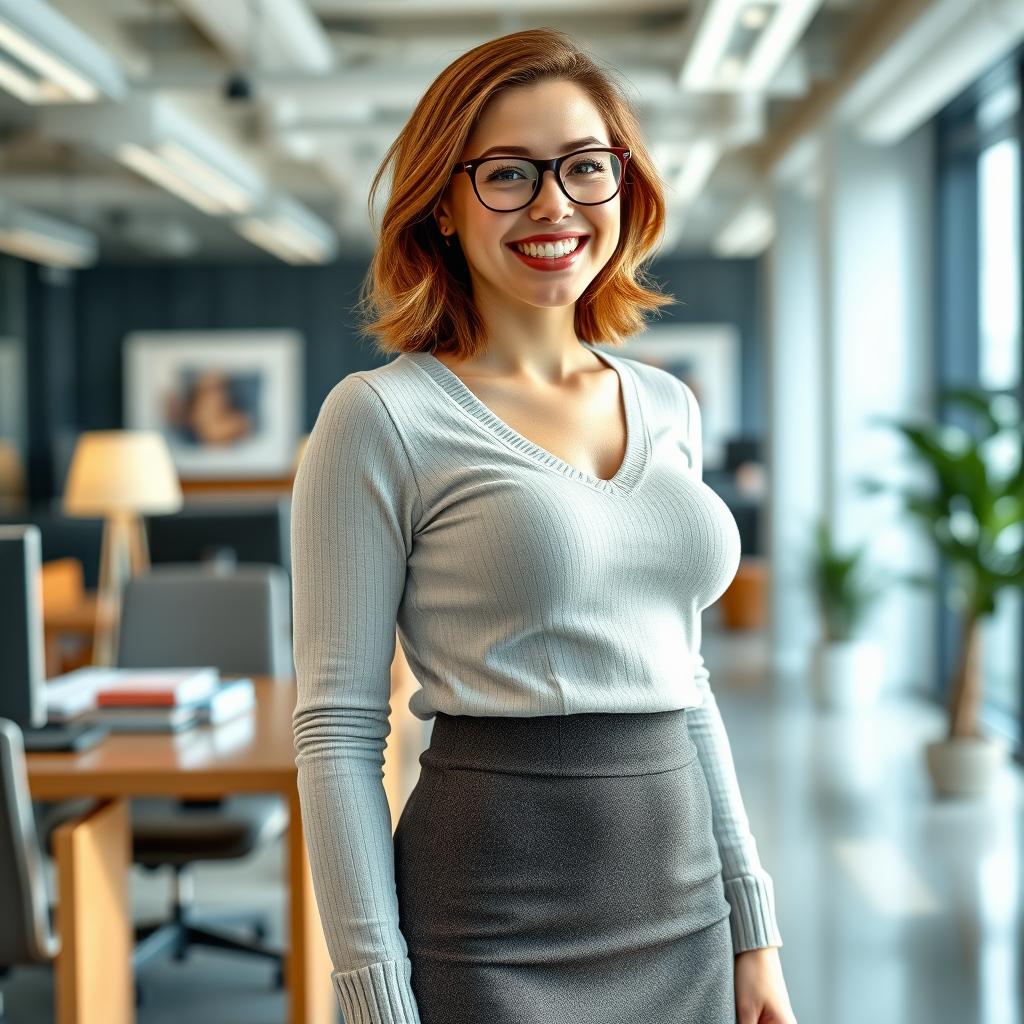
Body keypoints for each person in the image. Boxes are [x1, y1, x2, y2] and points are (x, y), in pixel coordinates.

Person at [291, 27, 797, 1024]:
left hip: (683, 908)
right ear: (442, 199)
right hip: (489, 926)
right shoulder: (381, 416)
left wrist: (754, 928)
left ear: (624, 184)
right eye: (510, 174)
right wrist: (372, 995)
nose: (554, 204)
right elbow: (340, 730)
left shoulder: (667, 404)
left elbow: (684, 679)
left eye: (583, 167)